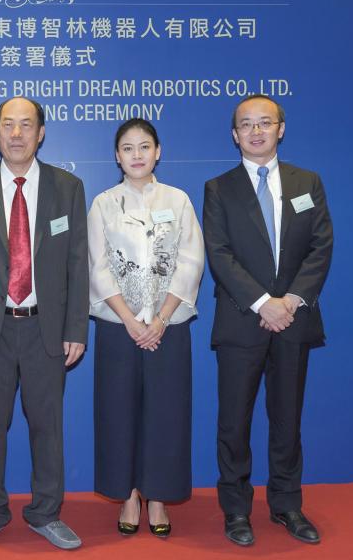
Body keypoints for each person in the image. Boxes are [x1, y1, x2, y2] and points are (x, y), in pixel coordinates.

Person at [0, 97, 89, 552]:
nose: (16, 134)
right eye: (7, 125)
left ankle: (45, 512)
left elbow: (76, 264)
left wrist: (76, 329)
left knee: (47, 428)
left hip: (45, 330)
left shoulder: (67, 187)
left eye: (26, 125)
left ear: (41, 133)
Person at [203, 94, 333, 546]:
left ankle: (287, 505)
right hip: (242, 321)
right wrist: (263, 303)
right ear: (235, 134)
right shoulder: (218, 188)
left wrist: (290, 301)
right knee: (233, 423)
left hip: (294, 320)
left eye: (265, 122)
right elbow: (219, 254)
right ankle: (236, 510)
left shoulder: (306, 182)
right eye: (246, 124)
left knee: (287, 419)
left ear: (281, 128)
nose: (256, 131)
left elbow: (321, 247)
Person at [88, 118, 204, 538]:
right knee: (118, 412)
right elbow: (96, 266)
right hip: (118, 328)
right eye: (127, 148)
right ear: (116, 156)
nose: (136, 155)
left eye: (144, 147)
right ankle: (129, 495)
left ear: (158, 152)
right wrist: (129, 320)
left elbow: (191, 262)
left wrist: (158, 320)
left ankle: (158, 496)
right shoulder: (103, 203)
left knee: (166, 413)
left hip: (168, 328)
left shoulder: (178, 200)